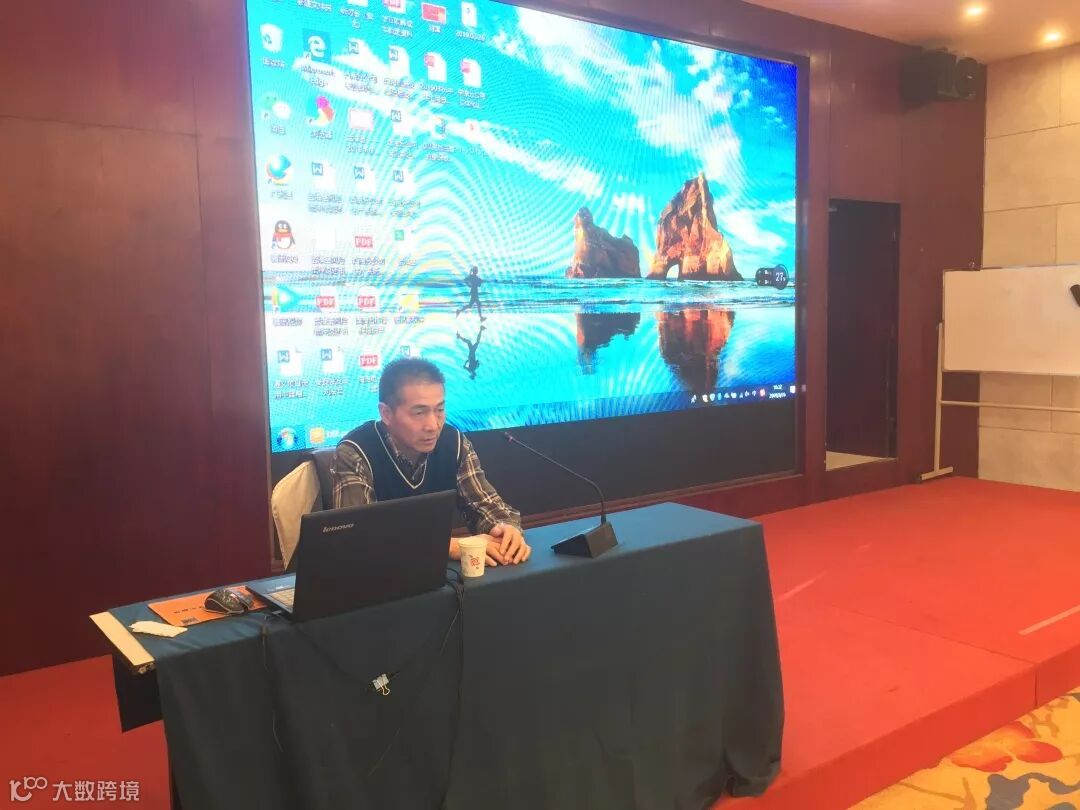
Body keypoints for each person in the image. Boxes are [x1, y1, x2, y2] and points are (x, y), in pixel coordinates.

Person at [330, 358, 530, 566]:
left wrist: (505, 530)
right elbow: (357, 539)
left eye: (439, 410)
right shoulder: (355, 453)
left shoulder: (454, 442)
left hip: (440, 575)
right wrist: (448, 546)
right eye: (419, 413)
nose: (433, 425)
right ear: (386, 414)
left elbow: (486, 504)